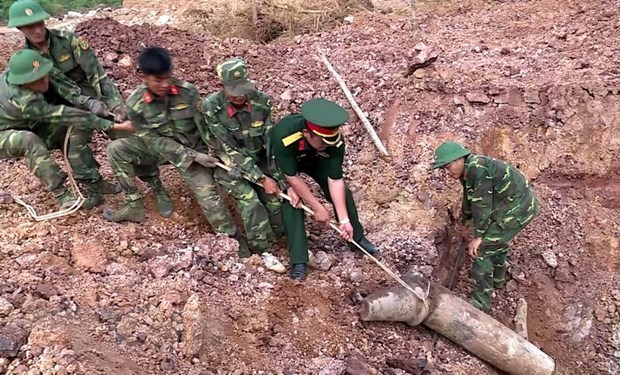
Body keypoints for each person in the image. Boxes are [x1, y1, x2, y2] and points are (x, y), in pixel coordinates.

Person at [103, 47, 253, 256]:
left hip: (196, 150)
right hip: (164, 151)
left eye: (168, 77)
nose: (165, 85)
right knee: (116, 149)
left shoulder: (187, 92)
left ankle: (232, 239)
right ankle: (139, 201)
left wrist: (220, 155)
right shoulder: (135, 105)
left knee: (209, 197)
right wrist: (190, 156)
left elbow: (207, 127)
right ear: (143, 77)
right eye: (158, 80)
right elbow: (152, 139)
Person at [0, 50, 133, 208]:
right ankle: (62, 195)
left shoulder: (28, 69)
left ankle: (93, 183)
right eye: (38, 79)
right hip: (5, 132)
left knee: (74, 133)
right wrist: (112, 125)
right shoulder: (21, 100)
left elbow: (65, 87)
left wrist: (88, 102)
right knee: (29, 141)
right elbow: (65, 115)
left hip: (32, 122)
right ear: (23, 83)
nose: (45, 80)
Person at [272, 98, 380, 281]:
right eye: (323, 143)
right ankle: (299, 259)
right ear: (307, 133)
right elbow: (292, 177)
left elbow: (335, 179)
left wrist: (343, 219)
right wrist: (317, 207)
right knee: (292, 201)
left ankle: (357, 240)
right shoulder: (284, 134)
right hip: (283, 164)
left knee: (344, 194)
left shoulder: (333, 140)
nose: (328, 145)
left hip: (313, 159)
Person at [431, 141, 540, 311]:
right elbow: (470, 197)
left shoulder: (477, 168)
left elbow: (482, 205)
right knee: (495, 241)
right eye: (443, 168)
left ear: (459, 159)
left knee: (481, 250)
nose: (446, 172)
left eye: (447, 166)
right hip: (507, 206)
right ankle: (498, 281)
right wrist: (466, 221)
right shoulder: (468, 170)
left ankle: (481, 305)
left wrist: (479, 236)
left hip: (518, 209)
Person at [201, 58, 285, 259]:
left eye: (243, 88)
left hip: (259, 162)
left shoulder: (262, 102)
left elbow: (271, 144)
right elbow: (230, 150)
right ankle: (261, 250)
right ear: (221, 86)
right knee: (252, 204)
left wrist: (278, 178)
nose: (240, 95)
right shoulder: (212, 108)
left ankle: (281, 239)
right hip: (230, 165)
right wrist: (262, 180)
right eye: (234, 90)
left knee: (275, 203)